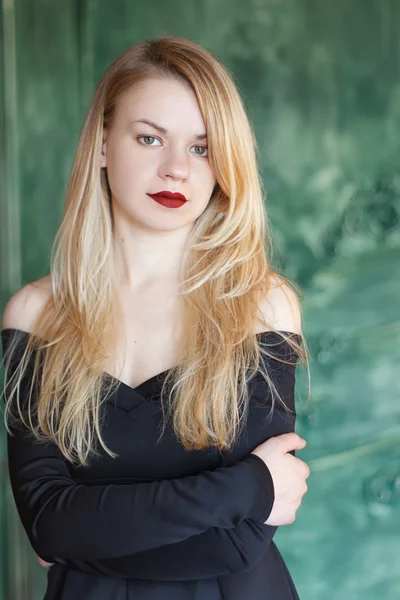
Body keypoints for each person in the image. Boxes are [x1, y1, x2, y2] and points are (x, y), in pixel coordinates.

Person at [1, 35, 310, 600]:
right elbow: (47, 525)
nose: (176, 170)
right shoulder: (36, 315)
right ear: (100, 145)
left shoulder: (262, 305)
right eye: (149, 138)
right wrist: (248, 485)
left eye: (201, 147)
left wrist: (94, 527)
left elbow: (237, 544)